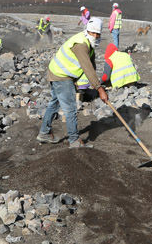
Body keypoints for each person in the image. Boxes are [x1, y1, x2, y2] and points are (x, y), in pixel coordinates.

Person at [38, 18, 109, 148]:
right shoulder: (81, 44)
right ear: (87, 31)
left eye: (97, 34)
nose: (95, 36)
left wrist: (95, 84)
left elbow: (91, 64)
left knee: (54, 104)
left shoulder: (87, 42)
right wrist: (100, 89)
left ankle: (44, 133)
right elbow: (87, 67)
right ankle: (74, 141)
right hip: (61, 75)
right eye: (92, 33)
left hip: (56, 72)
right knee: (70, 109)